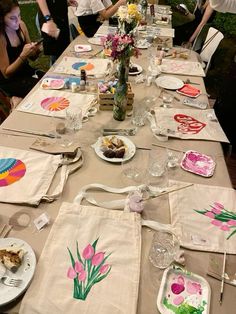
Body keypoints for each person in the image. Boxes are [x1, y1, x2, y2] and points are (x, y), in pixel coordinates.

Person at [0, 0, 44, 106]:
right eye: (12, 18)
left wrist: (38, 49)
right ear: (1, 19)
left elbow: (32, 57)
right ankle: (13, 98)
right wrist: (23, 55)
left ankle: (17, 99)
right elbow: (6, 73)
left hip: (26, 72)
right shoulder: (1, 37)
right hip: (11, 81)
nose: (18, 21)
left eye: (19, 15)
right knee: (42, 92)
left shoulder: (21, 26)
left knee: (51, 81)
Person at [36, 0, 77, 65]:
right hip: (50, 19)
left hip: (60, 18)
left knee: (63, 52)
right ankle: (54, 74)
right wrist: (49, 20)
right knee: (56, 55)